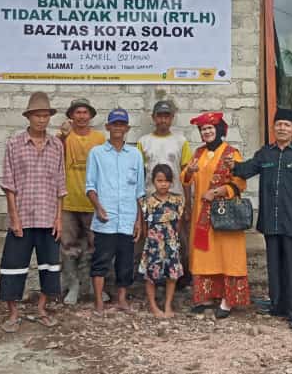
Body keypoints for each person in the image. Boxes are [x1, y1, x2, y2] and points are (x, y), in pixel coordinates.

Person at [233, 107, 292, 330]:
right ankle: (279, 305)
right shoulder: (266, 153)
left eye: (287, 125)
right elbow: (245, 170)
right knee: (276, 267)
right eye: (278, 124)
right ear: (273, 128)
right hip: (272, 222)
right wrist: (230, 164)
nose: (282, 128)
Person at [0, 91, 66, 332]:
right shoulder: (14, 144)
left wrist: (59, 218)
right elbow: (8, 184)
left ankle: (41, 309)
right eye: (37, 115)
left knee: (49, 266)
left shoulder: (57, 145)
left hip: (48, 218)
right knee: (13, 266)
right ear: (29, 117)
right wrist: (14, 217)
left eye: (45, 115)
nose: (41, 120)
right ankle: (13, 314)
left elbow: (60, 185)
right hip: (23, 218)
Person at [181, 111, 249, 318]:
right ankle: (207, 297)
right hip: (202, 215)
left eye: (210, 128)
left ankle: (228, 301)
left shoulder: (231, 153)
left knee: (227, 255)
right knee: (205, 255)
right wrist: (190, 171)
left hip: (224, 214)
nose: (207, 132)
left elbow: (240, 182)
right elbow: (185, 179)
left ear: (219, 130)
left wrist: (218, 192)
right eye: (203, 129)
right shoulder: (198, 153)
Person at [86, 107, 145, 314]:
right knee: (101, 261)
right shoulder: (97, 153)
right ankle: (99, 303)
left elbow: (139, 191)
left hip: (128, 219)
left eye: (122, 124)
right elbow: (90, 187)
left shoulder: (135, 154)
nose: (118, 128)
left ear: (127, 128)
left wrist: (139, 220)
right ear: (108, 127)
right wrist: (99, 208)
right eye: (115, 124)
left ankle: (121, 300)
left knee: (126, 262)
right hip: (106, 219)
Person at [56, 98, 107, 305]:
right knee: (68, 247)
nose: (82, 116)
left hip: (93, 203)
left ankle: (93, 286)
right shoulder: (64, 138)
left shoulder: (99, 138)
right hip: (68, 201)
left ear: (91, 116)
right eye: (77, 112)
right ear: (71, 116)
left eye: (85, 112)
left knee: (94, 246)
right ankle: (73, 285)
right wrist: (62, 136)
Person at [137, 100, 193, 285]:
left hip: (175, 200)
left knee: (178, 241)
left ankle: (179, 281)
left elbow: (186, 174)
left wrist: (188, 205)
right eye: (159, 116)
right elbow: (139, 174)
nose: (163, 120)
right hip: (151, 201)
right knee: (150, 241)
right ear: (153, 118)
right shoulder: (144, 142)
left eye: (166, 116)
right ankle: (153, 280)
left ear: (172, 118)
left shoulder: (181, 141)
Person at [138, 163, 185, 318]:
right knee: (151, 275)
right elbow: (144, 225)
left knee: (172, 275)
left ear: (171, 182)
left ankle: (167, 305)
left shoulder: (177, 201)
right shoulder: (146, 202)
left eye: (166, 180)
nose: (163, 184)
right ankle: (152, 305)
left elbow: (178, 224)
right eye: (159, 180)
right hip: (153, 244)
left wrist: (173, 240)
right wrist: (149, 241)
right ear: (153, 181)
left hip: (171, 243)